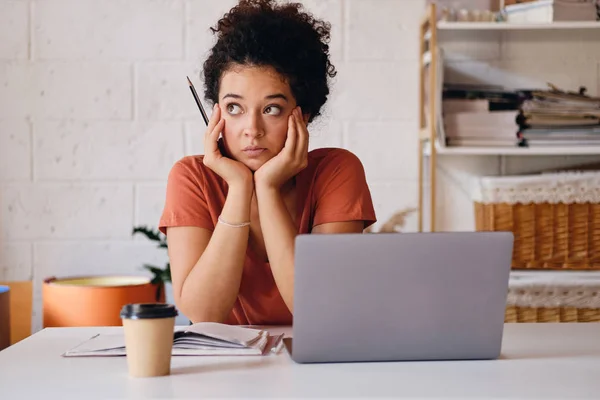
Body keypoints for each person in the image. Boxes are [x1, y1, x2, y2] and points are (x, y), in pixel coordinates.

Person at [158, 0, 376, 325]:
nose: (252, 130)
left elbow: (317, 309)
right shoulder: (191, 177)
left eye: (271, 108)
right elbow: (204, 314)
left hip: (318, 365)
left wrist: (267, 187)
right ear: (215, 112)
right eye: (234, 108)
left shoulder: (337, 171)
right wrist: (238, 187)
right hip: (227, 370)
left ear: (304, 114)